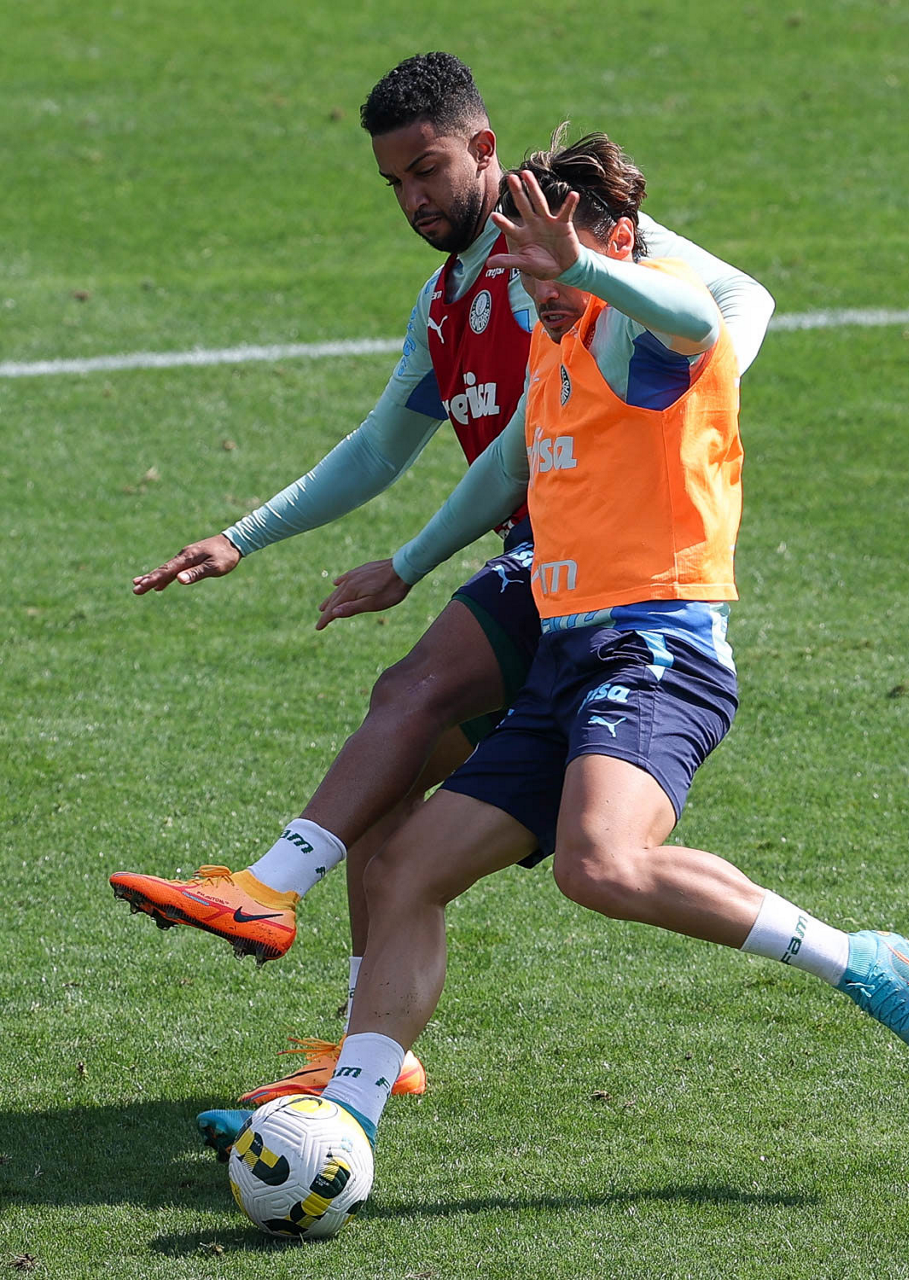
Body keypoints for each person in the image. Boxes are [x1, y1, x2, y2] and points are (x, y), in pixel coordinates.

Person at [200, 132, 909, 1167]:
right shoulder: (555, 348)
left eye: (555, 267)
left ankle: (858, 959)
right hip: (566, 659)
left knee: (599, 864)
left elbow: (699, 314)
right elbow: (500, 469)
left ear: (616, 246)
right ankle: (348, 1119)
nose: (538, 292)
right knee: (404, 869)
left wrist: (587, 272)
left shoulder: (646, 336)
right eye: (525, 273)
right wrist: (405, 564)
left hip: (658, 651)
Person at [110, 53, 775, 1105]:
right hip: (541, 563)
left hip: (580, 560)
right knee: (388, 796)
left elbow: (734, 298)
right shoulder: (447, 298)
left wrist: (682, 398)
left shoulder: (559, 229)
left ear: (481, 149)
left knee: (411, 691)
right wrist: (244, 537)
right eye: (395, 184)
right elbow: (382, 448)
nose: (414, 199)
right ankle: (367, 1051)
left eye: (427, 171)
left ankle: (266, 889)